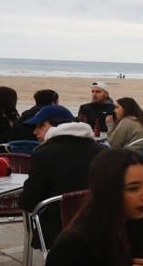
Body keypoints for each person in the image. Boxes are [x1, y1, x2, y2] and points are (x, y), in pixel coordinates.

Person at [18, 105, 104, 247]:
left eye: (40, 126)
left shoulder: (44, 153)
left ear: (57, 126)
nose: (35, 131)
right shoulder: (102, 150)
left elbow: (28, 202)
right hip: (99, 224)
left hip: (59, 229)